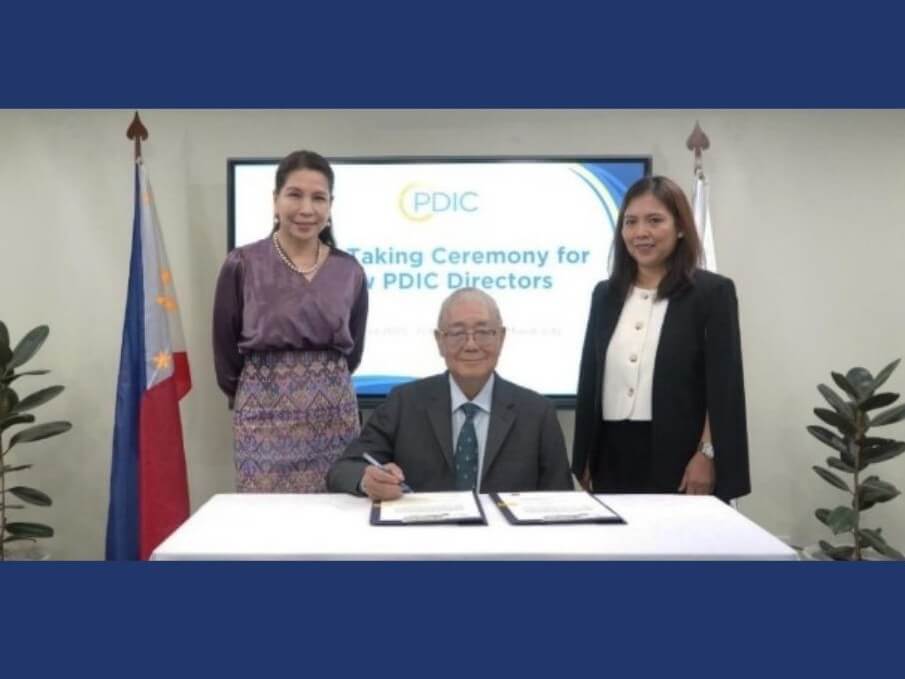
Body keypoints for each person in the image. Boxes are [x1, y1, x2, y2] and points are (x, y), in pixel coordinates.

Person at [572, 175, 750, 502]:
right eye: (631, 222)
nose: (641, 232)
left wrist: (707, 454)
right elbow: (590, 378)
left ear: (680, 227)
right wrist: (583, 457)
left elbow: (723, 386)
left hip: (682, 457)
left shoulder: (711, 293)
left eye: (655, 221)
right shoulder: (605, 295)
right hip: (610, 455)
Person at [213, 150, 368, 492]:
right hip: (262, 419)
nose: (306, 209)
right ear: (275, 200)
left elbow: (352, 353)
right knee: (267, 527)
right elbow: (225, 354)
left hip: (334, 419)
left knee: (337, 515)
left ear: (330, 206)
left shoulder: (350, 271)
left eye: (318, 198)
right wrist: (258, 395)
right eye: (294, 195)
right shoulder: (242, 263)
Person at [327, 288, 572, 499]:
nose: (471, 344)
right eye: (457, 333)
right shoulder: (404, 403)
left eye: (484, 332)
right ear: (439, 341)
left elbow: (561, 501)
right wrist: (367, 480)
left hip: (508, 547)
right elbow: (344, 469)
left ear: (502, 338)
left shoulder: (537, 412)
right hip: (425, 545)